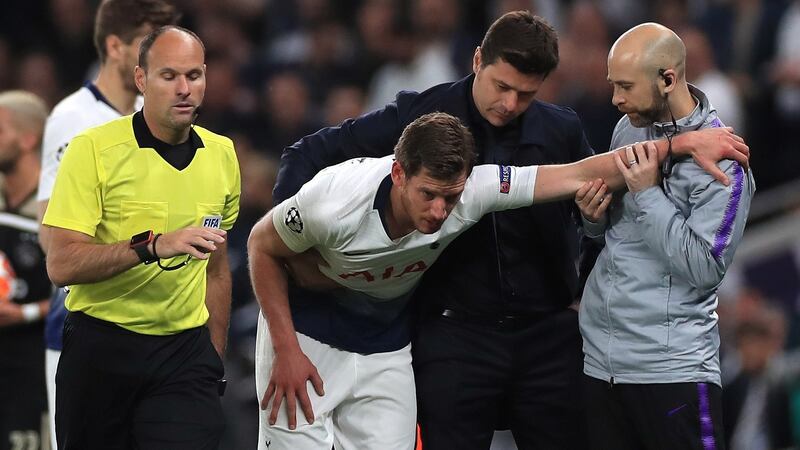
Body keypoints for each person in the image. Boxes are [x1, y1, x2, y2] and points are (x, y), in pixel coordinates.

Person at [270, 10, 749, 449]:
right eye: (501, 86)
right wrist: (295, 244)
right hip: (454, 334)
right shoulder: (422, 117)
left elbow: (600, 204)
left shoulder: (560, 130)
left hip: (549, 335)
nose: (509, 103)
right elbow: (306, 153)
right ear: (478, 60)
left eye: (526, 93)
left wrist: (591, 231)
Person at [251, 111, 667, 449]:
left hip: (384, 344)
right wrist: (286, 350)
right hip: (305, 337)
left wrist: (686, 143)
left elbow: (578, 173)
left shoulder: (474, 192)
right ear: (399, 174)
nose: (438, 211)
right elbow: (261, 247)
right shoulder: (335, 202)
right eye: (428, 194)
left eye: (450, 196)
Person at [42, 26, 240, 449]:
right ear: (140, 80)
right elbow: (61, 265)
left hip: (183, 358)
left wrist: (213, 357)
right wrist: (149, 248)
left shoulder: (222, 154)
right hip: (101, 349)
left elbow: (217, 266)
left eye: (194, 75)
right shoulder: (92, 149)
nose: (184, 89)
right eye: (169, 76)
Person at [576, 22, 756, 450]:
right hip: (601, 365)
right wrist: (593, 220)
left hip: (672, 372)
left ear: (668, 79)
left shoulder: (727, 163)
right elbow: (617, 235)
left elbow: (705, 267)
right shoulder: (627, 128)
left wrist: (646, 193)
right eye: (612, 85)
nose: (615, 99)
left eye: (624, 87)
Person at [35, 1, 179, 448]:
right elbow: (49, 232)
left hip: (159, 326)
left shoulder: (162, 115)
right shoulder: (74, 119)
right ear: (115, 46)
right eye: (145, 45)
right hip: (86, 327)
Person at [0, 91, 51, 450]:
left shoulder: (54, 209)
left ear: (28, 138)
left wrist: (24, 313)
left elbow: (78, 289)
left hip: (36, 366)